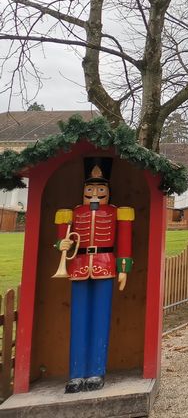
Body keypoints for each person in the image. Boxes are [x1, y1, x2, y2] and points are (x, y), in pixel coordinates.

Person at [54, 158, 134, 393]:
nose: (95, 194)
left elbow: (125, 243)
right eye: (90, 189)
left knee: (101, 318)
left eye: (100, 189)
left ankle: (96, 371)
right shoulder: (71, 213)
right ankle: (76, 374)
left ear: (108, 191)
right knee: (78, 320)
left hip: (106, 264)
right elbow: (60, 241)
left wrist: (123, 270)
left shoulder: (118, 212)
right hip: (78, 266)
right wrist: (63, 243)